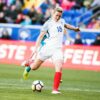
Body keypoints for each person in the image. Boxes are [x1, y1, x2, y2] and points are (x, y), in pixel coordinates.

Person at [22, 7, 80, 94]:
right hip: (46, 49)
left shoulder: (62, 21)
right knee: (35, 67)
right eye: (57, 15)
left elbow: (66, 25)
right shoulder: (48, 24)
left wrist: (74, 28)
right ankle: (28, 68)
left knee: (59, 67)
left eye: (59, 16)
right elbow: (40, 36)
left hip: (57, 49)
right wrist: (36, 48)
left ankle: (55, 90)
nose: (58, 17)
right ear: (53, 13)